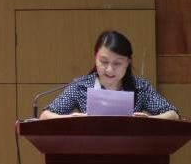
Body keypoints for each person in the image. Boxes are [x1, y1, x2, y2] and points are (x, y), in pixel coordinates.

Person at [39, 30, 180, 120]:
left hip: (130, 152)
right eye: (104, 62)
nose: (109, 70)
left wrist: (148, 121)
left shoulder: (140, 87)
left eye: (117, 63)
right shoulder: (80, 86)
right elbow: (45, 115)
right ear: (95, 57)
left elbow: (173, 114)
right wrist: (70, 119)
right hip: (89, 152)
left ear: (128, 62)